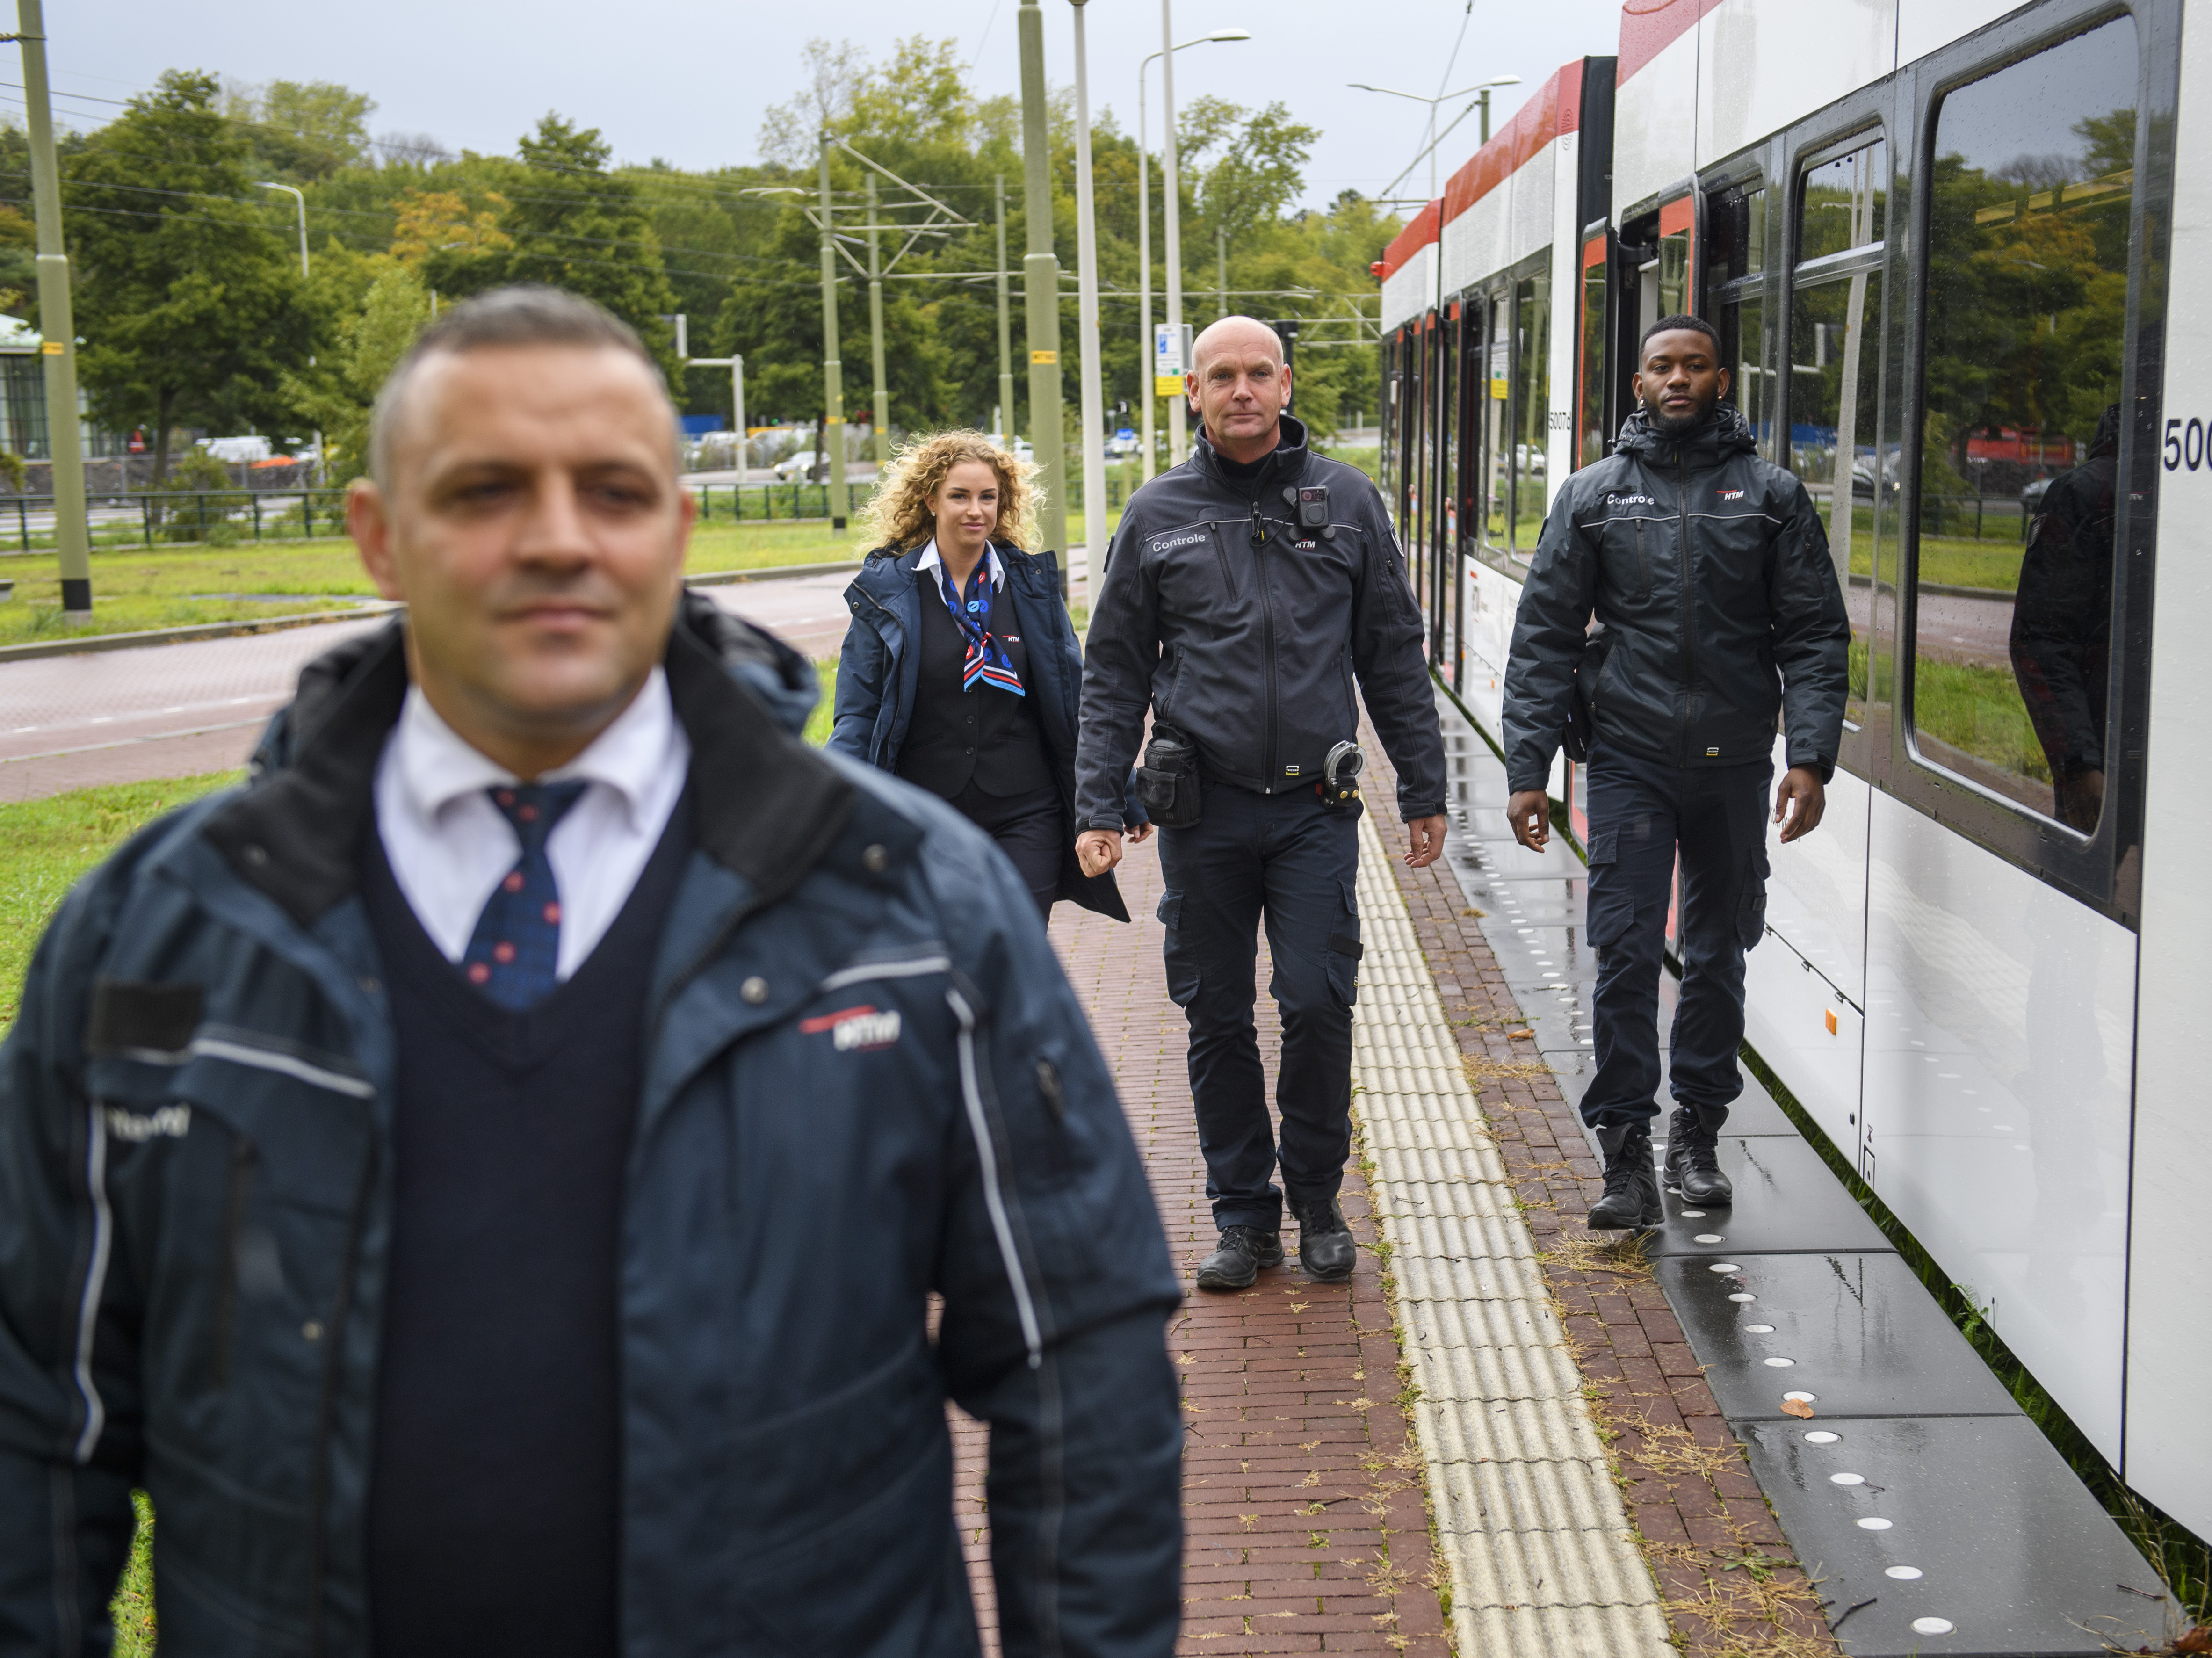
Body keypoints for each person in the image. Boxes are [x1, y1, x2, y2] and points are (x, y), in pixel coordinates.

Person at [0, 287, 1181, 1656]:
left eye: (611, 490)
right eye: (485, 488)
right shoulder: (154, 936)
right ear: (379, 536)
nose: (556, 537)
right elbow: (38, 1415)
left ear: (675, 533)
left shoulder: (915, 907)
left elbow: (1078, 1365)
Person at [1075, 315, 1449, 1291]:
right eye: (1219, 376)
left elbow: (1392, 655)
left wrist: (1424, 782)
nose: (1240, 390)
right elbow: (1113, 672)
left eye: (1256, 373)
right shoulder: (1157, 513)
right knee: (1217, 1015)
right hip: (1205, 813)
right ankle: (1244, 1216)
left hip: (1313, 812)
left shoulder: (1350, 501)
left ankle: (1319, 1197)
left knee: (1320, 1000)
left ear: (1285, 384)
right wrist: (1097, 803)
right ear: (1192, 392)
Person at [1501, 314, 1849, 1231]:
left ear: (1721, 378)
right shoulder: (1593, 496)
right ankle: (1623, 1147)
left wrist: (1809, 754)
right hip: (1628, 758)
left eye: (1695, 365)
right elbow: (1541, 639)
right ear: (1638, 382)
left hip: (1734, 764)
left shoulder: (1772, 497)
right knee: (1622, 949)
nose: (1679, 378)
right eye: (1662, 365)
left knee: (1720, 948)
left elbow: (1814, 634)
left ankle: (1696, 1132)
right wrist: (1527, 767)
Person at [830, 429, 1149, 918]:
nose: (974, 510)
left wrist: (1119, 795)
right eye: (959, 495)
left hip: (1025, 812)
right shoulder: (887, 593)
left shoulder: (1029, 588)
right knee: (948, 955)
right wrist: (829, 806)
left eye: (987, 497)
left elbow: (1073, 700)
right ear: (929, 500)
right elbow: (858, 714)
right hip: (925, 813)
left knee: (1017, 949)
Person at [2009, 404, 2119, 833]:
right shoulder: (2089, 493)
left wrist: (2078, 761)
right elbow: (2041, 639)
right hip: (2103, 756)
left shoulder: (2084, 490)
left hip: (2099, 751)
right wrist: (2079, 766)